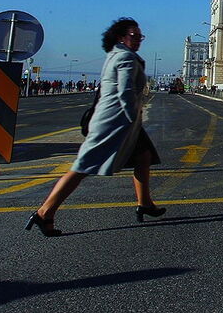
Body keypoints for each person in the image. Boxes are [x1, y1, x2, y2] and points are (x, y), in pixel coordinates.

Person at [25, 18, 164, 237]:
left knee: (144, 156)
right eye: (133, 36)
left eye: (140, 36)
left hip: (121, 121)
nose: (138, 40)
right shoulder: (125, 57)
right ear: (121, 37)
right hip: (114, 122)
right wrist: (131, 117)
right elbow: (125, 91)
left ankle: (145, 203)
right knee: (82, 167)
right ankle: (45, 212)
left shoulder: (116, 55)